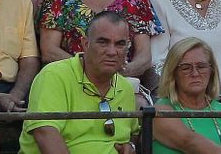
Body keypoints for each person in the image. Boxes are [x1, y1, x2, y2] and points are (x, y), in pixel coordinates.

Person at [21, 10, 140, 154]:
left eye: (120, 44)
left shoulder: (125, 87)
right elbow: (45, 133)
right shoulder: (54, 76)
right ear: (85, 44)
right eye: (103, 42)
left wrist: (131, 146)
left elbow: (133, 132)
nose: (112, 51)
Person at [153, 37, 221, 153]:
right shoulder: (160, 111)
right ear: (173, 74)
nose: (195, 73)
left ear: (211, 71)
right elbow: (189, 142)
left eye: (201, 66)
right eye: (186, 68)